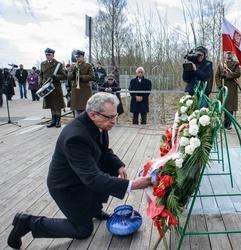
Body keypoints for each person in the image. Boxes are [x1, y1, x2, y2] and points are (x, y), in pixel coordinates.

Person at [7, 92, 152, 249]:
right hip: (68, 187)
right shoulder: (76, 137)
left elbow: (102, 150)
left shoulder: (96, 123)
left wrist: (118, 165)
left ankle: (95, 209)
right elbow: (93, 179)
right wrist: (132, 185)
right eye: (109, 117)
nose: (113, 121)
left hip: (82, 178)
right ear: (92, 115)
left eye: (115, 116)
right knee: (83, 230)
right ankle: (27, 223)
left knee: (108, 171)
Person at [39, 48, 66, 128]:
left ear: (53, 55)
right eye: (46, 55)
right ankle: (53, 120)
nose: (47, 56)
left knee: (57, 105)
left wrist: (55, 77)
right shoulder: (43, 64)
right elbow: (41, 74)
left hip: (55, 87)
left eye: (49, 55)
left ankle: (58, 121)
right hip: (47, 86)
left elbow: (63, 76)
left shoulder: (57, 64)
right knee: (51, 104)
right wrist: (40, 82)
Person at [215, 51, 241, 130]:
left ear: (233, 54)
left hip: (231, 87)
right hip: (223, 87)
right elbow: (216, 76)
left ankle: (229, 123)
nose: (228, 54)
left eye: (230, 53)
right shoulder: (221, 64)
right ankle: (224, 122)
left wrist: (226, 75)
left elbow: (237, 74)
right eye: (227, 53)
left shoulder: (236, 64)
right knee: (224, 105)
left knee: (230, 106)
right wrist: (219, 85)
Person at [68, 50, 95, 116]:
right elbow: (69, 77)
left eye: (79, 57)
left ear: (82, 57)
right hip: (76, 90)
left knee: (85, 107)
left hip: (84, 89)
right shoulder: (74, 66)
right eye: (76, 57)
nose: (77, 58)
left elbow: (92, 77)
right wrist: (73, 73)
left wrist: (82, 77)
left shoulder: (88, 66)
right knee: (77, 107)